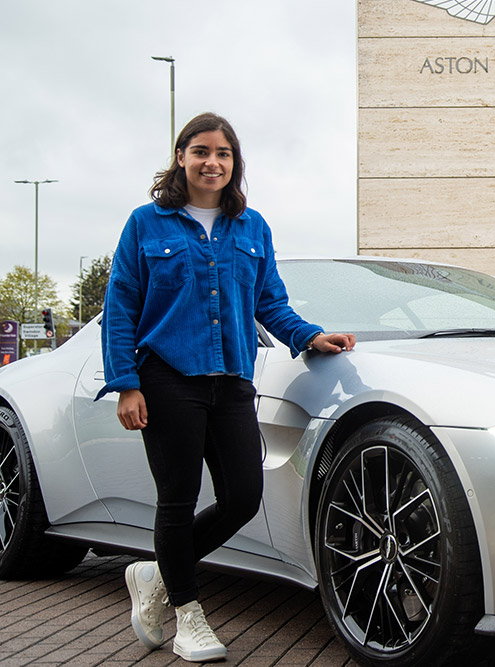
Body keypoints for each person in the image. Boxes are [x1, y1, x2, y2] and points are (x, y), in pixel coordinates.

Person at [99, 112, 355, 662]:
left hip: (234, 379)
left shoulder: (252, 226)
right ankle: (189, 617)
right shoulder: (147, 223)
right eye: (200, 151)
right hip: (166, 379)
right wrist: (125, 383)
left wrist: (310, 336)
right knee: (178, 500)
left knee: (243, 496)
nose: (212, 162)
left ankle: (159, 578)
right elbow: (120, 306)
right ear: (180, 158)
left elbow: (270, 302)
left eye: (223, 153)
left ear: (234, 163)